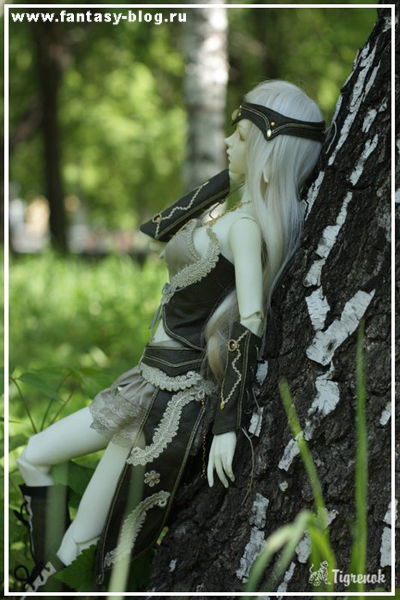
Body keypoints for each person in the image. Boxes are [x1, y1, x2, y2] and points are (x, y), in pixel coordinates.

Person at [13, 80, 325, 592]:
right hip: (144, 379)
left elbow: (250, 323)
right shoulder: (233, 214)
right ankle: (47, 574)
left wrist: (227, 424)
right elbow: (161, 227)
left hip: (167, 399)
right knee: (34, 456)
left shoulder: (245, 229)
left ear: (267, 154)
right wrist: (236, 173)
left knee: (87, 533)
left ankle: (49, 583)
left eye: (240, 137)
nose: (226, 141)